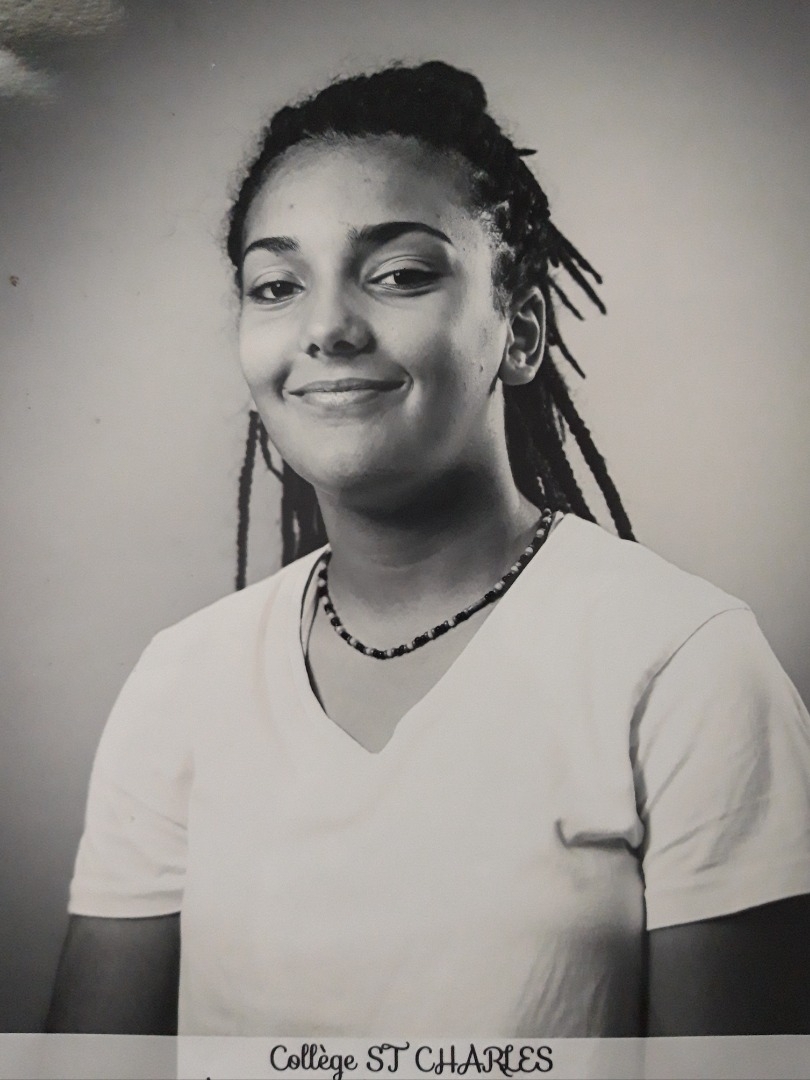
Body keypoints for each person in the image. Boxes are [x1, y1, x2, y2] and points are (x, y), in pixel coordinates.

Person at [47, 61, 810, 1038]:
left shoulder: (683, 663)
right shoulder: (181, 679)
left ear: (519, 332)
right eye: (276, 285)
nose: (327, 327)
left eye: (401, 274)